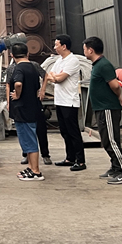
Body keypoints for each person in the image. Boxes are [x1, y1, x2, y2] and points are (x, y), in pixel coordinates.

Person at [82, 37, 122, 185]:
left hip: (107, 108)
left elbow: (115, 85)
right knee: (106, 140)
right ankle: (115, 167)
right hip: (102, 108)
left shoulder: (104, 65)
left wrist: (119, 98)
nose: (84, 52)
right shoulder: (97, 65)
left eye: (84, 49)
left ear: (91, 50)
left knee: (111, 140)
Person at [48, 34, 86, 171]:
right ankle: (70, 158)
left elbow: (59, 79)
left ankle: (80, 161)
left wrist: (56, 77)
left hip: (69, 102)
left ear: (64, 46)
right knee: (64, 131)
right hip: (59, 100)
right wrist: (55, 77)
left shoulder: (72, 60)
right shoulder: (59, 60)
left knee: (73, 132)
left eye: (56, 45)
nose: (54, 47)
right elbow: (50, 75)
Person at [9, 43, 45, 181]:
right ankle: (31, 167)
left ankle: (36, 171)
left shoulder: (19, 68)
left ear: (12, 55)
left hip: (23, 109)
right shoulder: (33, 67)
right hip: (32, 106)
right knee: (27, 140)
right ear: (27, 54)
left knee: (29, 140)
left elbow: (18, 83)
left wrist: (17, 95)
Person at [5, 59, 50, 165]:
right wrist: (9, 102)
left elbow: (45, 76)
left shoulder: (33, 65)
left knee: (40, 128)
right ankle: (26, 154)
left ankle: (45, 154)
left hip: (33, 101)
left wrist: (43, 90)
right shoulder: (11, 68)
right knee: (24, 131)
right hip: (20, 103)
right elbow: (8, 85)